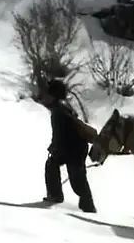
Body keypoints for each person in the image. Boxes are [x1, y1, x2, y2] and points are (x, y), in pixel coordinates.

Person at [39, 79, 97, 213]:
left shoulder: (58, 111)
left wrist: (54, 147)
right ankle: (57, 196)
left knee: (77, 180)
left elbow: (59, 133)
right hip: (75, 147)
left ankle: (88, 207)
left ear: (53, 95)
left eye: (48, 93)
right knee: (55, 166)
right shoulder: (64, 106)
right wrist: (55, 147)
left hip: (74, 149)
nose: (46, 96)